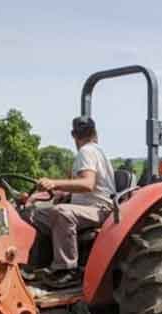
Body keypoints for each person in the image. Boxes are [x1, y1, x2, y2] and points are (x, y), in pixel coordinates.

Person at [30, 116, 116, 288]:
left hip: (99, 209)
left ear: (73, 135)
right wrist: (64, 194)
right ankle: (34, 265)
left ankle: (68, 270)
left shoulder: (87, 151)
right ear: (95, 133)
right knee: (32, 213)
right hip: (88, 207)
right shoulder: (95, 152)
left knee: (62, 212)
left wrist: (54, 183)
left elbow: (88, 184)